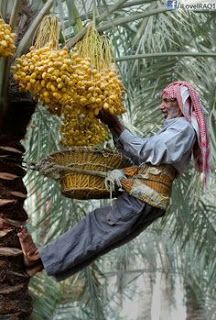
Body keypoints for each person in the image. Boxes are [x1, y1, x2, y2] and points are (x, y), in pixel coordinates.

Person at [16, 81, 211, 280]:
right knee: (105, 239)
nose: (161, 107)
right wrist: (114, 128)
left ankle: (37, 257)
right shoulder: (178, 130)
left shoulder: (183, 128)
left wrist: (116, 124)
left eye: (166, 101)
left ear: (180, 103)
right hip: (152, 198)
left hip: (145, 194)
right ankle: (37, 265)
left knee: (96, 226)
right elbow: (141, 157)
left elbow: (146, 151)